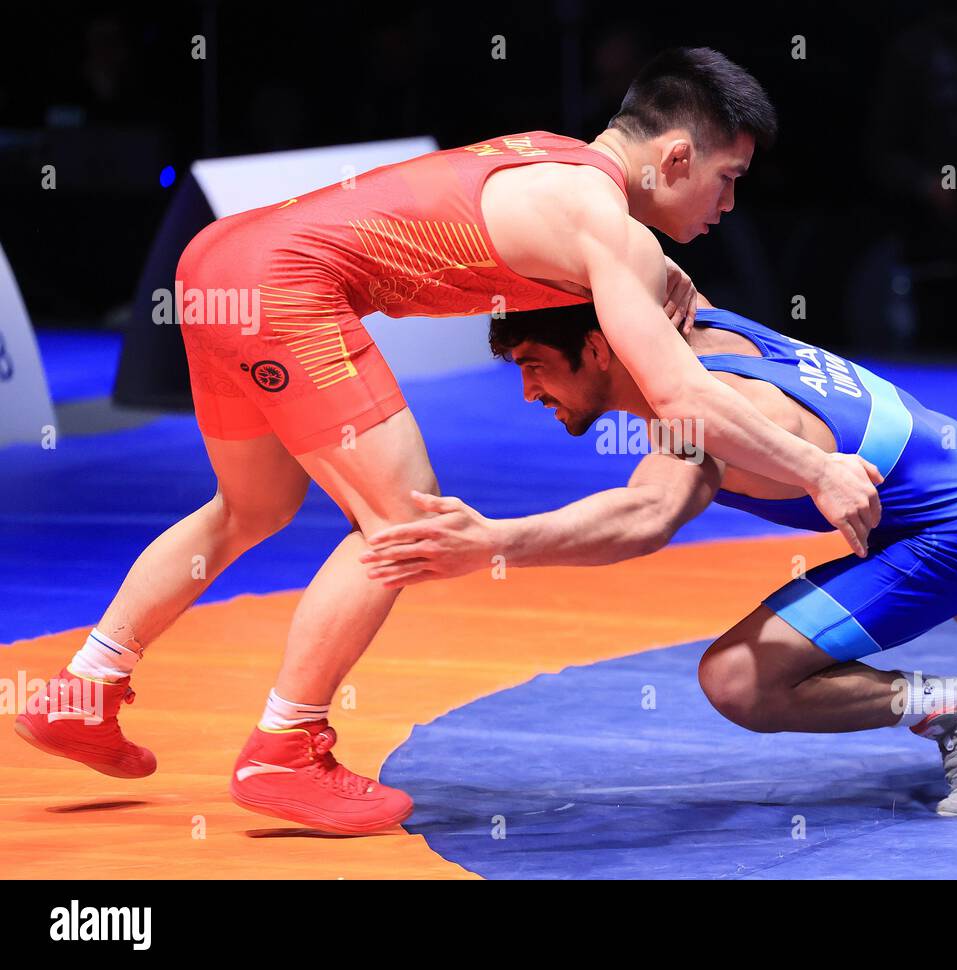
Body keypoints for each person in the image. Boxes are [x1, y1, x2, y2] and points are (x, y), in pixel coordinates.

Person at [15, 49, 882, 835]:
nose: (729, 206)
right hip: (285, 286)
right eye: (726, 180)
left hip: (217, 261)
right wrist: (818, 469)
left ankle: (87, 686)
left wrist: (652, 268)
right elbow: (682, 393)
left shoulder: (552, 155)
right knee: (404, 523)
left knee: (253, 505)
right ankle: (286, 744)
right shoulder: (612, 229)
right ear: (677, 158)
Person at [361, 298, 957, 816]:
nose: (525, 390)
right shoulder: (687, 314)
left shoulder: (699, 403)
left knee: (738, 681)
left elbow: (644, 517)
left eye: (533, 363)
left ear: (597, 347)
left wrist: (493, 542)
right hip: (948, 453)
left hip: (936, 517)